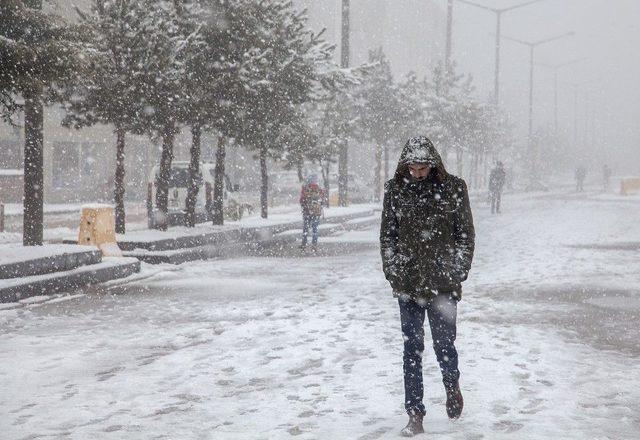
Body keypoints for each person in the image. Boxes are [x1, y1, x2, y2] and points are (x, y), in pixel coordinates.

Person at [380, 136, 475, 437]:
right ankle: (415, 413)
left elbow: (465, 235)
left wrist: (457, 270)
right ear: (405, 165)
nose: (418, 173)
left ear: (432, 164)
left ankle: (452, 386)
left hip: (443, 285)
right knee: (411, 349)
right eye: (413, 167)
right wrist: (394, 271)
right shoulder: (395, 191)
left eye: (423, 167)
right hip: (408, 283)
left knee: (444, 345)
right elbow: (387, 237)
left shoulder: (453, 189)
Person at [299, 175, 324, 249]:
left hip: (307, 211)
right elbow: (322, 200)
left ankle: (304, 243)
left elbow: (301, 200)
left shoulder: (306, 189)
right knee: (315, 229)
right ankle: (314, 244)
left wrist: (304, 206)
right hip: (316, 212)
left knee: (305, 228)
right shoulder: (319, 189)